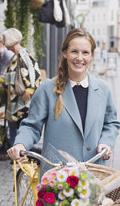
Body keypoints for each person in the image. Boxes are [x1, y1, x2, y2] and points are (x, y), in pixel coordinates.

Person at [7, 28, 120, 167]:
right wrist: (20, 143)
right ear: (65, 53)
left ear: (91, 56)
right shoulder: (47, 89)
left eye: (85, 52)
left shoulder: (103, 89)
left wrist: (106, 142)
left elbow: (111, 124)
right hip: (58, 174)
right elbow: (32, 125)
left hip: (95, 170)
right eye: (74, 51)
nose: (79, 57)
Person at [0, 28, 41, 150]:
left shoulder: (24, 55)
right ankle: (16, 159)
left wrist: (29, 92)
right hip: (14, 105)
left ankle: (22, 160)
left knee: (22, 134)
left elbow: (35, 74)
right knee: (15, 133)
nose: (3, 43)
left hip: (22, 106)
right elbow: (6, 78)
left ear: (11, 40)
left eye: (4, 40)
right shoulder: (15, 58)